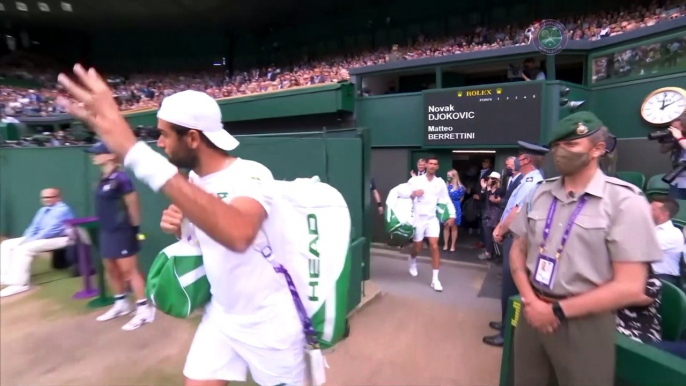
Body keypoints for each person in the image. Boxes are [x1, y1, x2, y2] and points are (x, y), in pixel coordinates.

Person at [57, 67, 309, 386]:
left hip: (270, 325)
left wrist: (134, 152)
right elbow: (212, 239)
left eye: (164, 134)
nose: (160, 142)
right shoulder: (192, 179)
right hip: (221, 316)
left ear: (192, 138)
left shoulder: (252, 175)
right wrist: (182, 230)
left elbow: (240, 233)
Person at [508, 112, 661, 386]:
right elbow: (518, 250)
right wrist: (530, 300)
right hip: (532, 310)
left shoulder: (625, 201)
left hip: (585, 322)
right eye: (557, 146)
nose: (560, 152)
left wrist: (555, 311)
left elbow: (630, 286)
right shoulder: (541, 193)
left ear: (597, 149)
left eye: (571, 145)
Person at [483, 142, 548, 347]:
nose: (516, 160)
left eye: (519, 156)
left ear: (526, 160)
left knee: (511, 288)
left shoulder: (530, 183)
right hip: (515, 236)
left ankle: (508, 332)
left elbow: (516, 212)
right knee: (508, 288)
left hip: (517, 238)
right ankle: (505, 323)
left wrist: (500, 230)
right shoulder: (531, 180)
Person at [87, 142, 153, 331]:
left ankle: (143, 309)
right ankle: (121, 303)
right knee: (111, 268)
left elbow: (133, 202)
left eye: (97, 153)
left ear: (110, 156)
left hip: (122, 230)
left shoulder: (122, 178)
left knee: (129, 271)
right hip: (106, 230)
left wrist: (134, 227)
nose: (94, 155)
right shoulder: (102, 178)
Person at [0, 188, 75, 297]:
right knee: (7, 244)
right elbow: (34, 227)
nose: (46, 200)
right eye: (44, 197)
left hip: (63, 238)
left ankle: (20, 284)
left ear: (58, 198)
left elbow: (53, 230)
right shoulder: (43, 210)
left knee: (24, 249)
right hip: (42, 237)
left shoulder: (62, 209)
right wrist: (28, 238)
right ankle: (5, 276)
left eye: (50, 197)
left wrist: (31, 240)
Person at [401, 157, 456, 292]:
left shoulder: (440, 182)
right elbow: (402, 193)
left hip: (432, 219)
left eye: (435, 164)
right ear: (425, 165)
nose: (432, 166)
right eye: (430, 163)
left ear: (437, 167)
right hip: (418, 218)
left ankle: (435, 280)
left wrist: (453, 215)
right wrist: (413, 193)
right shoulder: (415, 180)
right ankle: (412, 260)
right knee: (418, 247)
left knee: (434, 245)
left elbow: (446, 199)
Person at [649, 196, 684, 287]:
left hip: (664, 280)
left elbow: (641, 251)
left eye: (652, 209)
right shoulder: (648, 228)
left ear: (664, 214)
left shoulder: (673, 233)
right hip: (646, 276)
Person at [478, 172, 505, 261]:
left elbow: (491, 199)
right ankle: (489, 252)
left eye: (493, 179)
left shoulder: (500, 190)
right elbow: (482, 198)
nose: (491, 180)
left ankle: (492, 253)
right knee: (487, 233)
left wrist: (489, 188)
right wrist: (483, 188)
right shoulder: (487, 189)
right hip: (488, 213)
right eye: (490, 178)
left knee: (493, 233)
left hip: (496, 214)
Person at [443, 169, 465, 252]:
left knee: (454, 227)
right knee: (446, 226)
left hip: (456, 207)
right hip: (446, 207)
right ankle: (445, 244)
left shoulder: (460, 187)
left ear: (454, 176)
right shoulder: (445, 186)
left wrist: (456, 204)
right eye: (447, 176)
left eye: (450, 176)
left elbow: (461, 198)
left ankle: (453, 245)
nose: (448, 177)